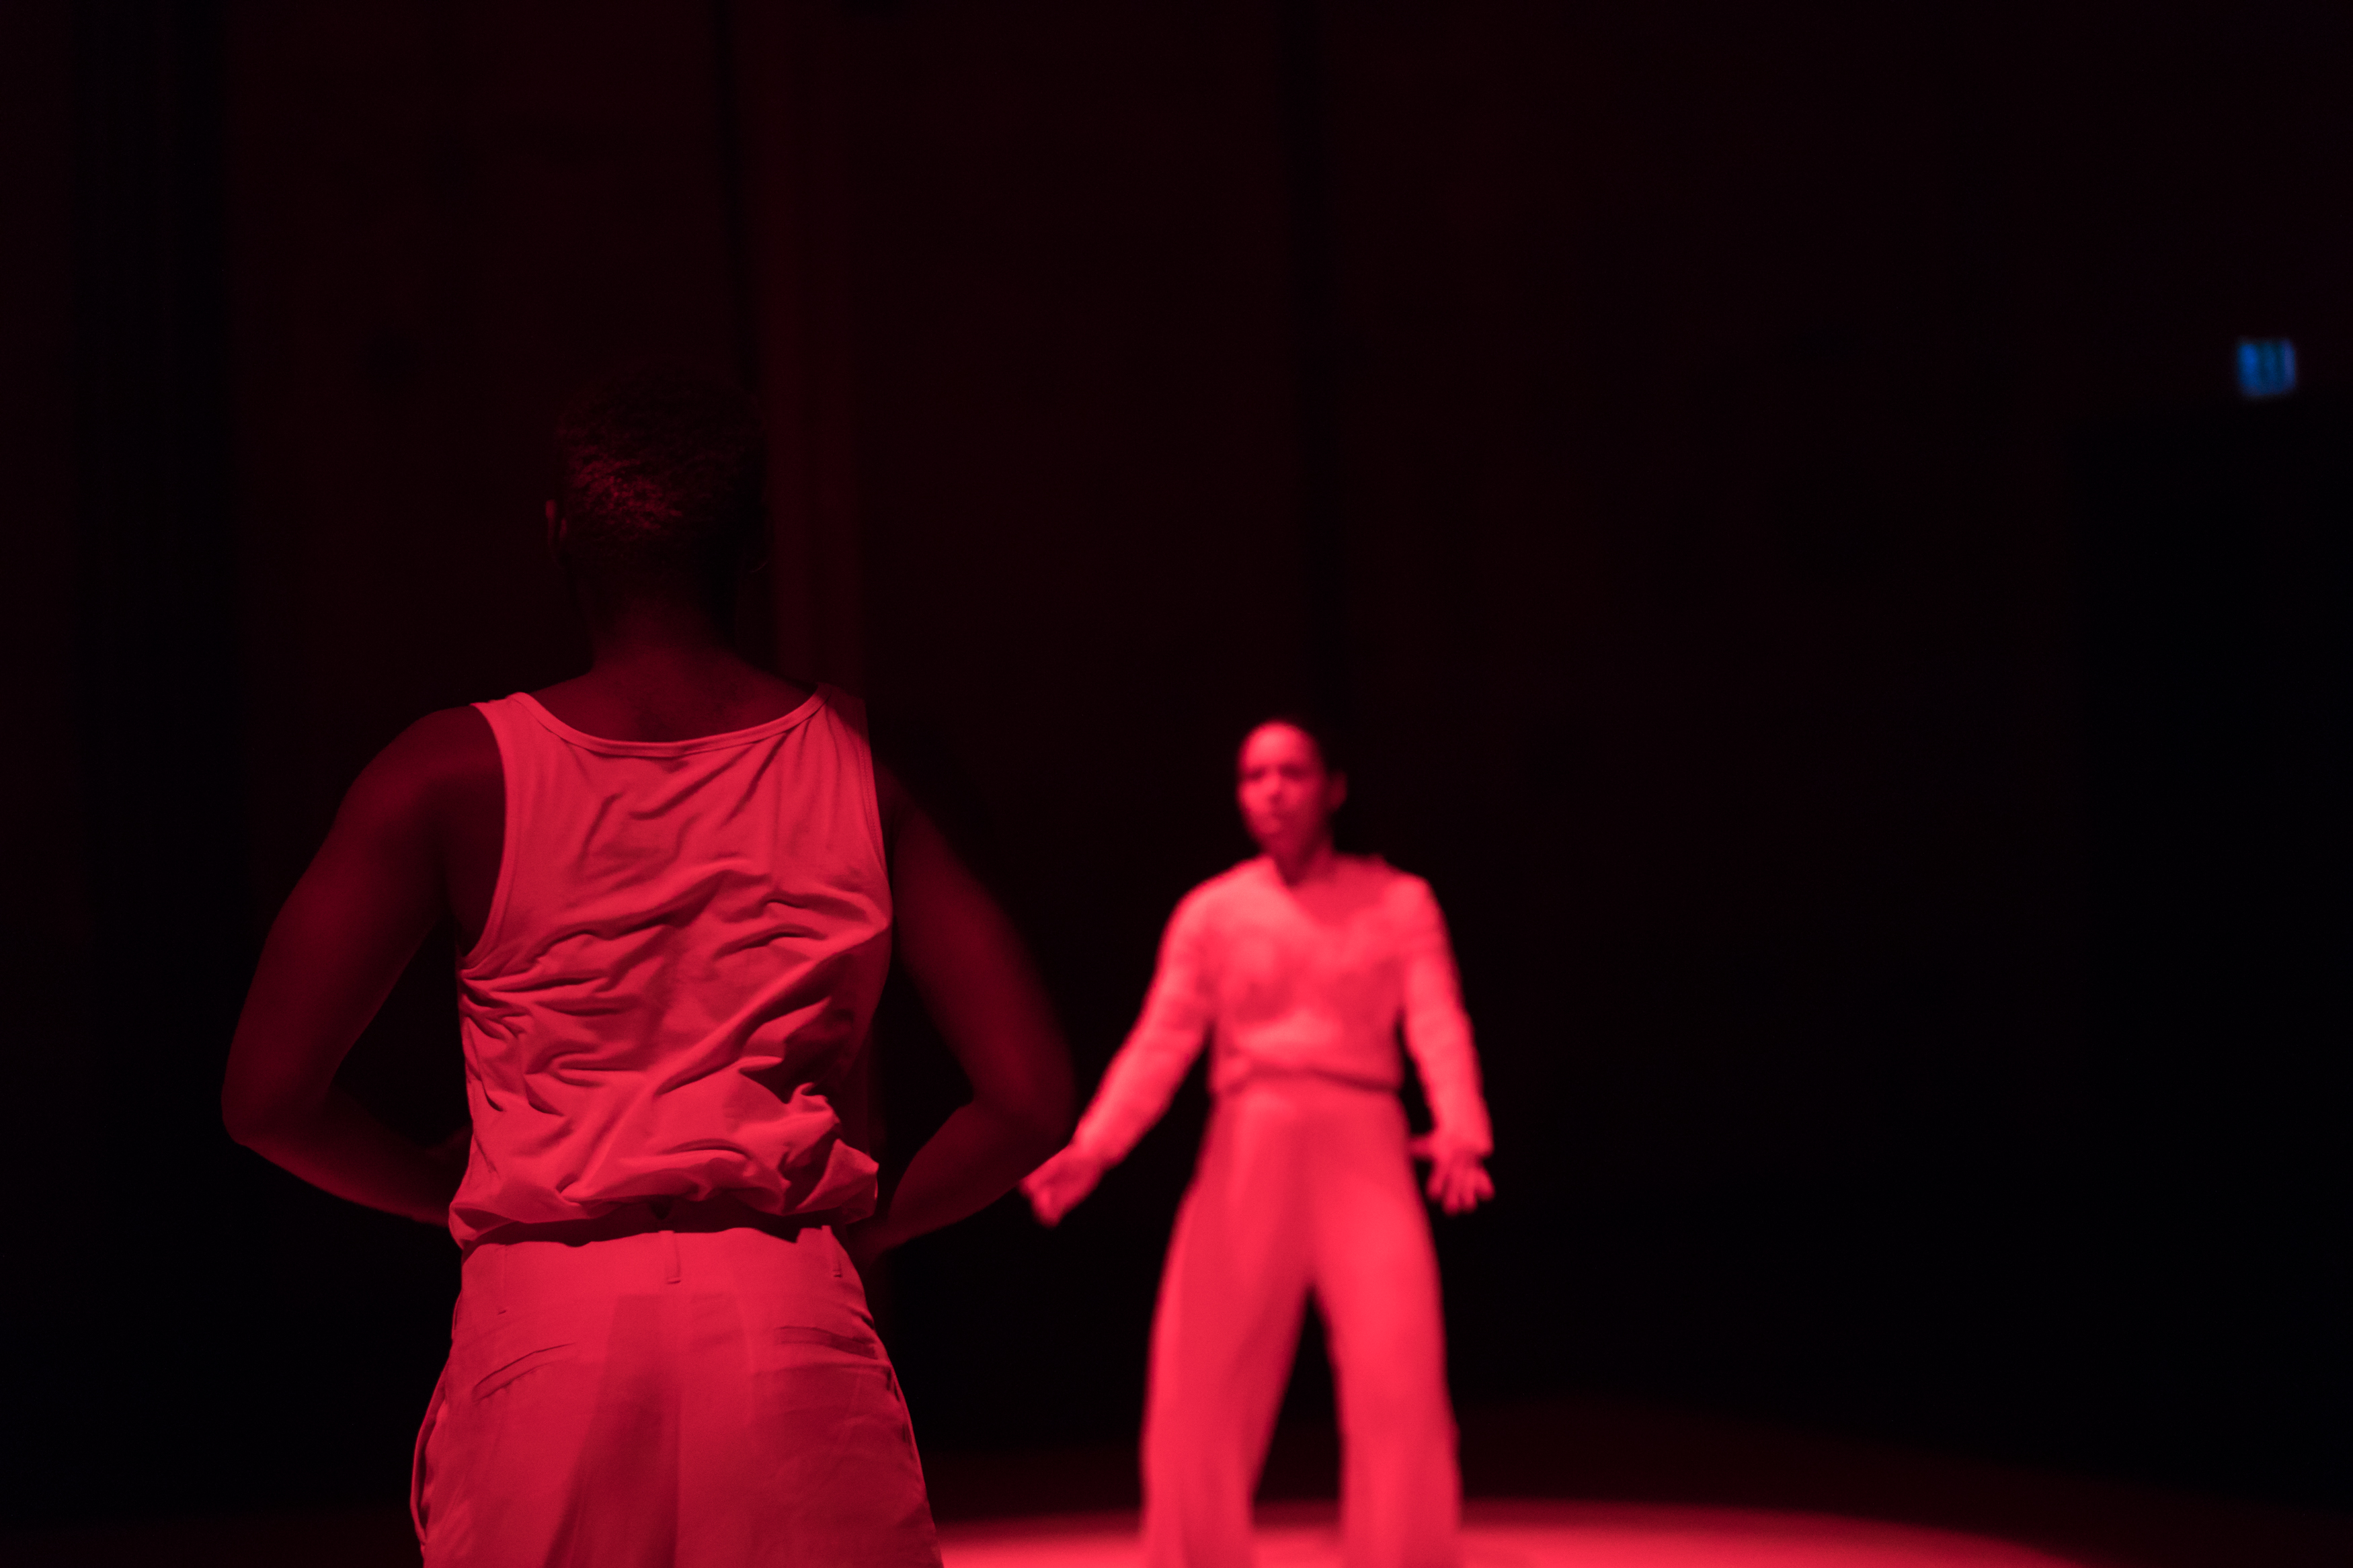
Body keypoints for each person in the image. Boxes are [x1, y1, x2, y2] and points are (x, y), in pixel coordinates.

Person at [222, 366, 1072, 1567]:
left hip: (544, 1322)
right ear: (758, 541)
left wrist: (439, 1186)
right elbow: (1031, 1099)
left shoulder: (447, 773)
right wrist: (859, 1228)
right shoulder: (879, 764)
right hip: (787, 1310)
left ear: (557, 534)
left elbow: (267, 1098)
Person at [1023, 718, 1494, 1568]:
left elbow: (1436, 1018)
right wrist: (1095, 1145)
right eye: (1253, 775)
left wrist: (1461, 1121)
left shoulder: (1397, 900)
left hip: (1362, 1130)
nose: (1271, 790)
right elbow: (1162, 1038)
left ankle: (1404, 1553)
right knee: (1201, 1361)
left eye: (1291, 771)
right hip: (1251, 1131)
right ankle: (1195, 1554)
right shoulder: (1213, 911)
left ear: (1332, 786)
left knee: (1396, 1361)